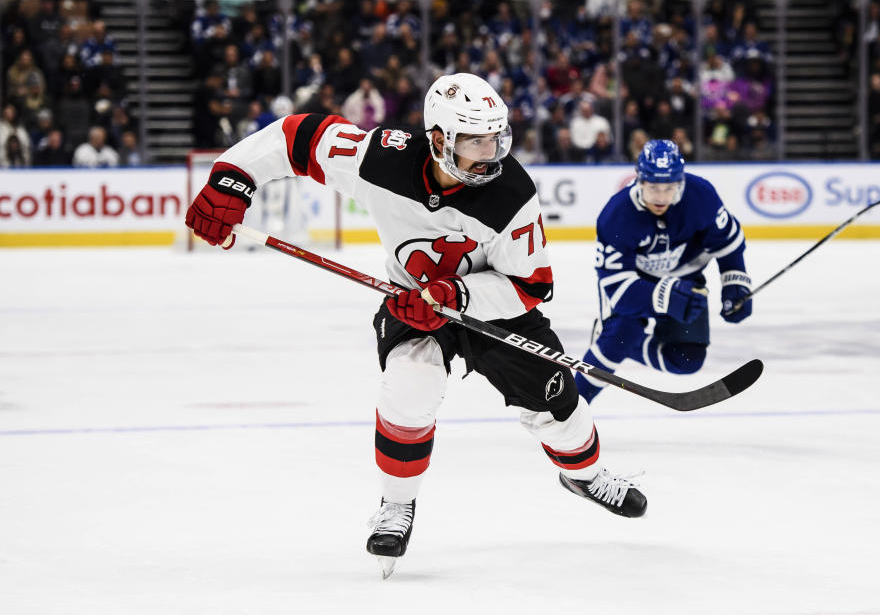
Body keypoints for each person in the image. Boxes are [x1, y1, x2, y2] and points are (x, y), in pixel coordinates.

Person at [183, 73, 647, 578]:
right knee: (410, 381)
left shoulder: (511, 191)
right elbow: (295, 136)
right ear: (439, 139)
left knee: (558, 406)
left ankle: (587, 476)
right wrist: (231, 178)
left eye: (495, 137)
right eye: (474, 139)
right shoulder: (382, 158)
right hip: (411, 303)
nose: (489, 151)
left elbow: (531, 285)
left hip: (495, 308)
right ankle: (397, 504)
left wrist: (459, 294)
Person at [574, 139, 752, 404]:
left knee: (687, 360)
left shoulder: (701, 196)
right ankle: (570, 406)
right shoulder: (616, 215)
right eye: (653, 188)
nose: (660, 197)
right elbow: (618, 289)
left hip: (685, 278)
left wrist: (734, 282)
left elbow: (728, 243)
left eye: (668, 188)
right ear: (640, 181)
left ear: (679, 182)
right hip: (635, 284)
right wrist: (664, 296)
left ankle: (618, 340)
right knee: (621, 335)